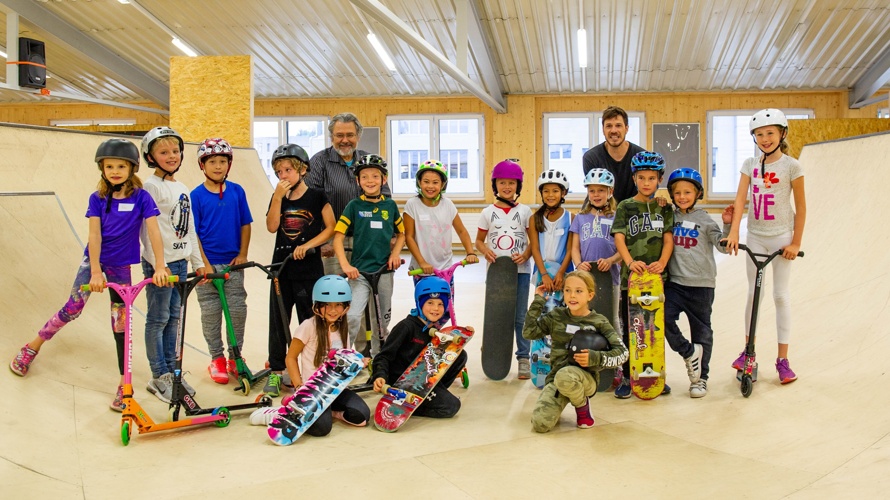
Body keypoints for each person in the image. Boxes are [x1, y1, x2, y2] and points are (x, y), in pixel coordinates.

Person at [9, 139, 169, 411]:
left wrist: (160, 266)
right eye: (109, 166)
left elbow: (154, 232)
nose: (115, 171)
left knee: (121, 326)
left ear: (132, 168)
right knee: (72, 309)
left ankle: (124, 385)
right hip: (94, 263)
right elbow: (94, 235)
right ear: (102, 169)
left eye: (121, 166)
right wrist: (95, 270)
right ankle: (32, 347)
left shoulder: (142, 197)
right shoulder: (98, 199)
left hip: (121, 269)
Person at [724, 108, 806, 384]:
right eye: (759, 134)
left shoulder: (792, 166)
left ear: (782, 134)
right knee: (752, 294)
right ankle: (749, 352)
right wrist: (735, 231)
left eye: (770, 133)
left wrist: (795, 242)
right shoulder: (749, 164)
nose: (765, 138)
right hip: (756, 235)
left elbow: (802, 207)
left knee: (780, 295)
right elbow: (739, 200)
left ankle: (783, 360)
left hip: (781, 237)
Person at [139, 126, 209, 402]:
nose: (171, 156)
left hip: (180, 263)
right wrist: (158, 264)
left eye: (175, 151)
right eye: (163, 152)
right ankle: (159, 376)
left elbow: (189, 227)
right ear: (151, 156)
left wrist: (198, 262)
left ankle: (172, 371)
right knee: (157, 319)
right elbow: (149, 229)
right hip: (161, 266)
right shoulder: (150, 186)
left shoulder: (181, 187)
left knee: (174, 320)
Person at [263, 144, 335, 396]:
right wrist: (277, 198)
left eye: (288, 170)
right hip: (281, 270)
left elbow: (330, 227)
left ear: (303, 169)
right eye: (279, 171)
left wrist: (309, 245)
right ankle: (276, 371)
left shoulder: (317, 196)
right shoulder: (278, 198)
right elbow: (272, 227)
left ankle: (311, 367)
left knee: (310, 320)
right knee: (278, 321)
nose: (283, 175)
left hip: (309, 270)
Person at [523, 271, 628, 432]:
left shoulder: (598, 321)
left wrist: (595, 358)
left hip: (585, 381)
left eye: (579, 291)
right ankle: (559, 404)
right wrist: (538, 301)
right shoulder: (556, 316)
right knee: (540, 424)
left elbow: (622, 353)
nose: (572, 295)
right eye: (567, 290)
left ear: (590, 295)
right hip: (556, 380)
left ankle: (582, 406)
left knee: (565, 376)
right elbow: (529, 333)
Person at [611, 151, 674, 399]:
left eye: (651, 178)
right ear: (634, 178)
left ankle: (656, 374)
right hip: (632, 281)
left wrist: (661, 262)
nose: (646, 183)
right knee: (630, 329)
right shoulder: (626, 206)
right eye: (641, 178)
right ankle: (628, 376)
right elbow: (619, 237)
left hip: (657, 281)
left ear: (659, 180)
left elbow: (668, 239)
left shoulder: (664, 208)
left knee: (654, 328)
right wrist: (629, 261)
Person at [190, 138, 253, 384]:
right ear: (202, 165)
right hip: (206, 266)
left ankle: (235, 356)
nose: (218, 166)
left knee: (237, 310)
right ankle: (216, 358)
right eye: (212, 162)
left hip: (232, 263)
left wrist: (243, 254)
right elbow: (193, 233)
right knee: (211, 313)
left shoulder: (237, 191)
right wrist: (203, 264)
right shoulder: (196, 195)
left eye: (222, 161)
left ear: (229, 164)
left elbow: (245, 224)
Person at [665, 168, 730, 398]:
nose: (682, 197)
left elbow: (723, 246)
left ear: (698, 193)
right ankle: (689, 352)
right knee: (664, 319)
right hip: (675, 283)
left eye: (688, 192)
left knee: (702, 332)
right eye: (678, 193)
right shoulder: (669, 217)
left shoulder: (704, 219)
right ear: (672, 195)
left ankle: (700, 379)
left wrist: (728, 226)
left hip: (701, 286)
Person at [333, 154, 405, 358]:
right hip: (360, 273)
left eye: (375, 176)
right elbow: (338, 238)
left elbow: (402, 234)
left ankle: (378, 358)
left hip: (384, 271)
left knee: (381, 321)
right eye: (364, 177)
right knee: (353, 316)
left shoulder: (390, 206)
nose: (370, 181)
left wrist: (395, 254)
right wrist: (345, 265)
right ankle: (342, 357)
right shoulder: (354, 206)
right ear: (358, 181)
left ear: (384, 179)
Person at [305, 112, 390, 276]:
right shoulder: (319, 162)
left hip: (369, 241)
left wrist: (390, 236)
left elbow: (385, 200)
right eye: (339, 135)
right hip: (332, 243)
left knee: (366, 293)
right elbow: (310, 204)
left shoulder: (369, 160)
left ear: (358, 136)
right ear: (332, 137)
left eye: (350, 135)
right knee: (335, 295)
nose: (345, 140)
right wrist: (320, 242)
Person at [372, 277, 470, 419]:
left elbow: (442, 351)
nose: (436, 308)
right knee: (451, 407)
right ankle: (413, 405)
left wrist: (463, 333)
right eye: (430, 303)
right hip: (401, 382)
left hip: (422, 380)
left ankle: (434, 393)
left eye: (440, 304)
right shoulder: (406, 327)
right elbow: (384, 355)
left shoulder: (432, 328)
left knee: (460, 355)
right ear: (420, 303)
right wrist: (380, 375)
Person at [475, 159, 533, 379]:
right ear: (495, 185)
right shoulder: (488, 212)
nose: (506, 187)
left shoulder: (526, 211)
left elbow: (532, 241)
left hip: (521, 272)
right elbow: (479, 241)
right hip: (497, 273)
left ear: (518, 186)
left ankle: (523, 357)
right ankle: (493, 349)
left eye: (511, 183)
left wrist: (526, 255)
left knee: (520, 316)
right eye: (502, 183)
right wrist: (485, 251)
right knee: (496, 315)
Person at [404, 159, 479, 281]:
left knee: (447, 300)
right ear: (419, 182)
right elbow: (409, 237)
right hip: (421, 269)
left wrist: (470, 252)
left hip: (446, 269)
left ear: (442, 184)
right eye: (426, 182)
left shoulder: (448, 204)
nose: (430, 186)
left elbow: (462, 231)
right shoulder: (412, 205)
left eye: (435, 182)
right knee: (426, 300)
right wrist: (422, 262)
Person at [570, 168, 622, 328]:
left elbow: (622, 250)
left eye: (601, 190)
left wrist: (611, 260)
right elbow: (574, 248)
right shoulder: (580, 217)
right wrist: (578, 265)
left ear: (610, 191)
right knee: (586, 318)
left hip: (610, 277)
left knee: (611, 319)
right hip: (585, 276)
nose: (596, 194)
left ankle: (616, 351)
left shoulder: (617, 217)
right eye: (592, 191)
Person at [582, 106, 646, 203]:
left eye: (618, 125)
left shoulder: (642, 157)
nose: (613, 130)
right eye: (608, 126)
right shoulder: (591, 158)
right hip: (601, 210)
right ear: (603, 130)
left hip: (633, 211)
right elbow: (595, 191)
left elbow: (645, 192)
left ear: (626, 129)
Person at [529, 169, 573, 296]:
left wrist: (560, 273)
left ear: (563, 193)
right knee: (542, 308)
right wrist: (544, 274)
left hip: (563, 271)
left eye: (555, 191)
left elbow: (570, 250)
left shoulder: (571, 218)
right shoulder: (534, 219)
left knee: (563, 309)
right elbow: (535, 249)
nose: (550, 195)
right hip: (542, 272)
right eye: (546, 191)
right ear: (541, 193)